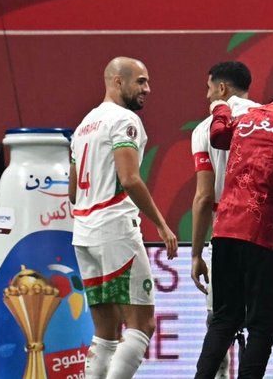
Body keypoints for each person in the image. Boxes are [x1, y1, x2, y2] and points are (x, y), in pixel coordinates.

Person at [192, 63, 273, 379]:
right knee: (268, 324)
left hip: (224, 229)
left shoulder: (246, 119)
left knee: (223, 320)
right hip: (267, 235)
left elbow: (218, 137)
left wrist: (220, 108)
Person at [70, 57, 180, 379]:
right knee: (141, 324)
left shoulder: (83, 127)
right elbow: (130, 179)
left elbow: (73, 192)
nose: (148, 89)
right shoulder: (124, 120)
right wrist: (161, 223)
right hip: (115, 229)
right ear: (118, 82)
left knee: (105, 334)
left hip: (84, 233)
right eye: (141, 81)